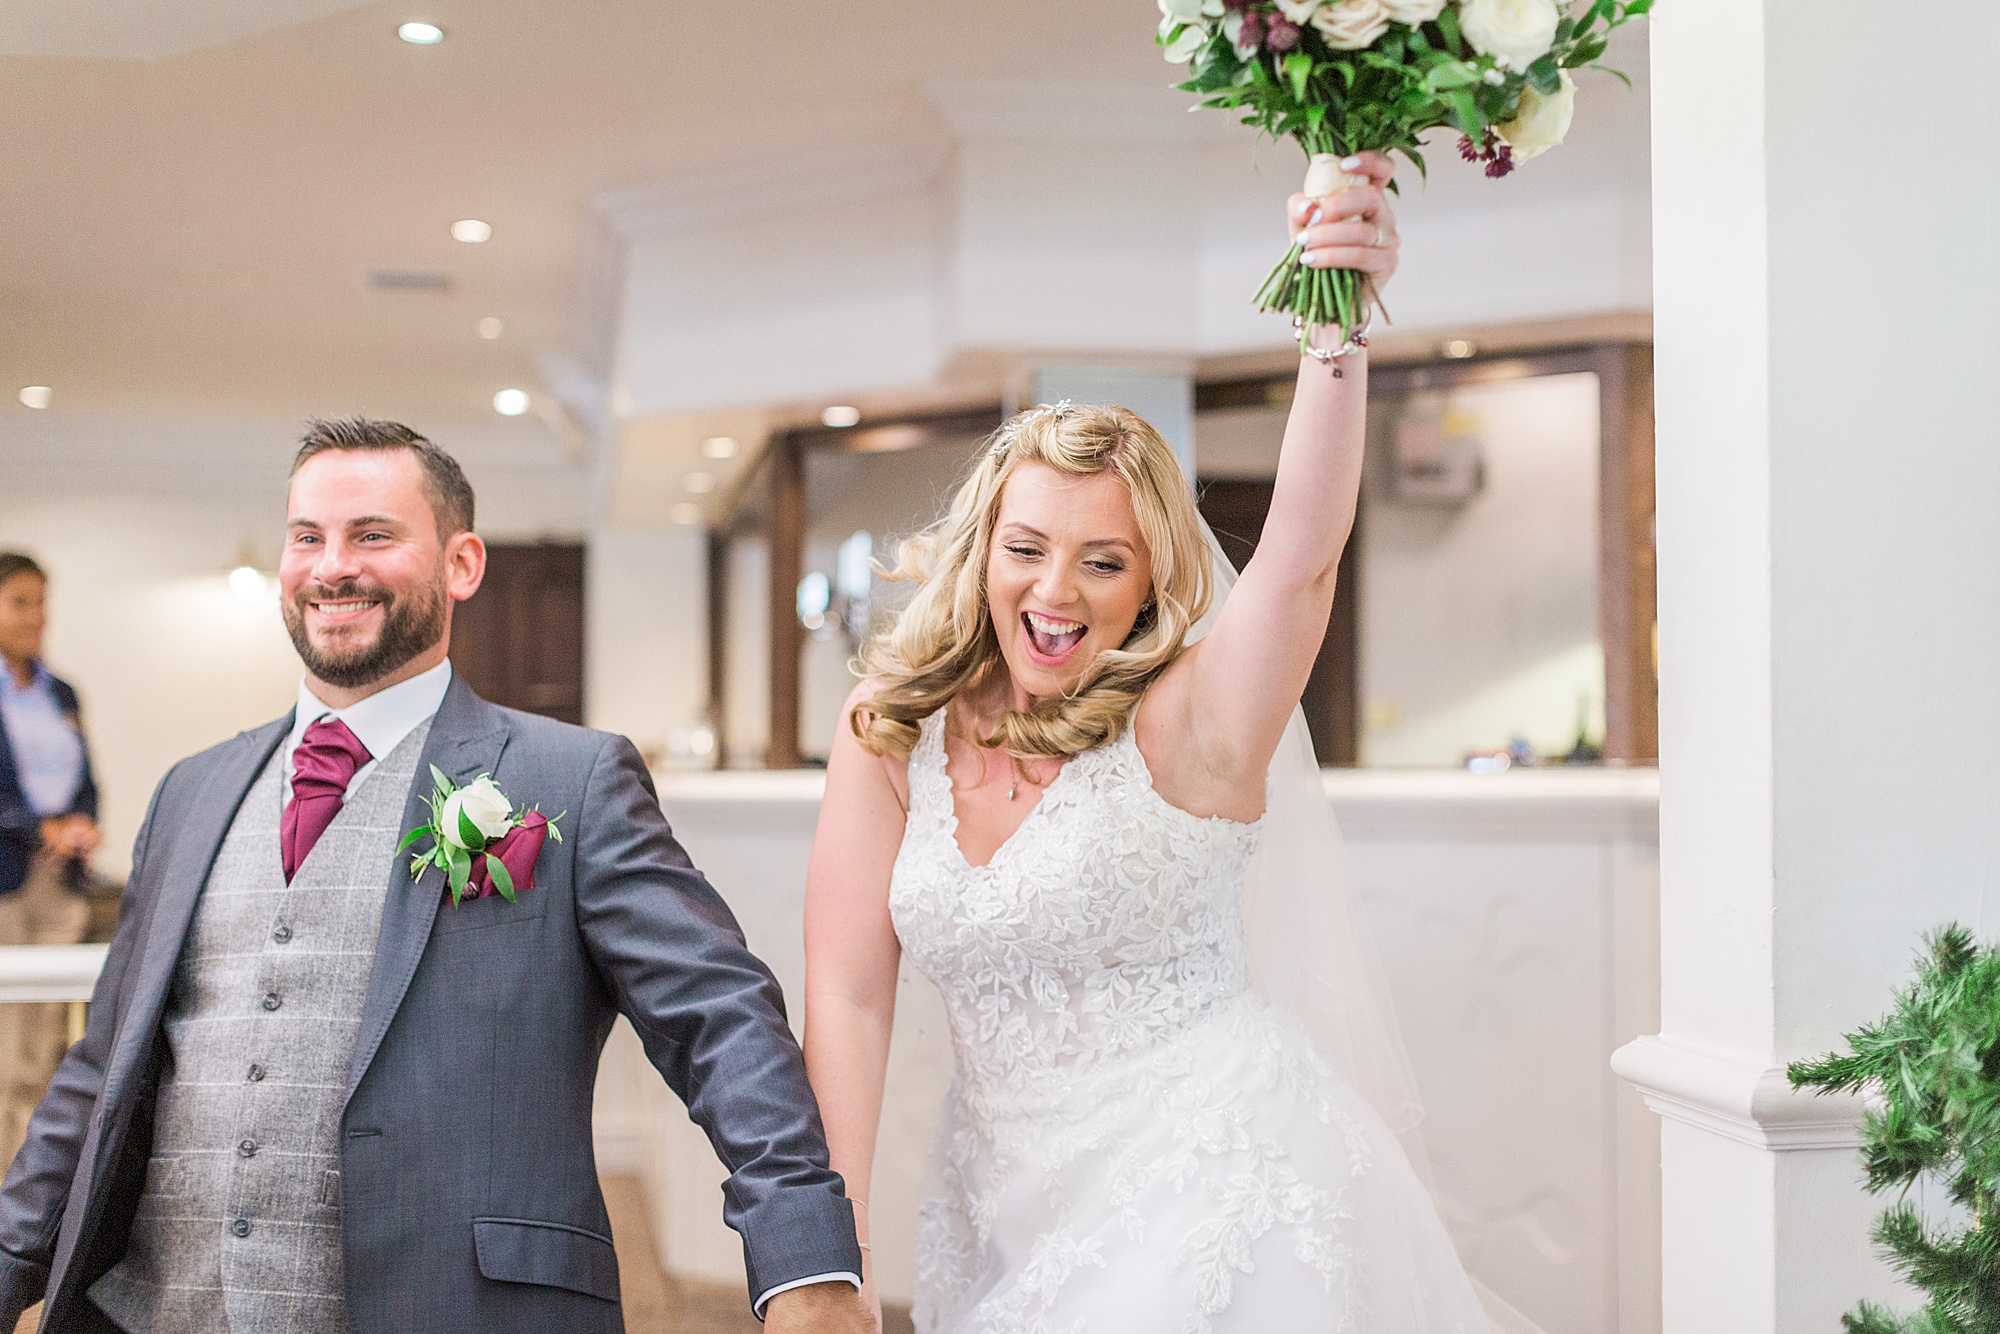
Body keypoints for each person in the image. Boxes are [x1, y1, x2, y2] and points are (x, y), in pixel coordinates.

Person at [802, 156, 1489, 1331]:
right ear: (980, 550)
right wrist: (833, 1249)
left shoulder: (1193, 726)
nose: (1054, 590)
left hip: (1221, 1182)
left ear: (1149, 581)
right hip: (996, 1204)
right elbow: (847, 993)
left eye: (1101, 560)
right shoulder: (888, 731)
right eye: (1026, 547)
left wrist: (1335, 323)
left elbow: (1300, 558)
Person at [0, 420, 872, 1334]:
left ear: (461, 564)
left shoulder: (569, 779)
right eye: (309, 537)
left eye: (372, 535)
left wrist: (806, 1256)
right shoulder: (193, 789)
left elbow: (717, 1019)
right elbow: (105, 1068)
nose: (332, 566)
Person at [0, 553, 101, 901]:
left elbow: (85, 780)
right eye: (19, 603)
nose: (35, 617)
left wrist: (81, 823)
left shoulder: (61, 693)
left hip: (61, 873)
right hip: (6, 877)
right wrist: (39, 830)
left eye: (41, 603)